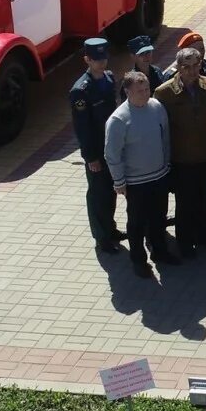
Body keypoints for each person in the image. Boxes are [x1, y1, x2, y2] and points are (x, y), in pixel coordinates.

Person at [104, 71, 174, 277]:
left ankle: (160, 252)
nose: (145, 94)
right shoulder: (118, 119)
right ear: (127, 92)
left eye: (146, 90)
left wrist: (167, 164)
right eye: (139, 91)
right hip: (136, 182)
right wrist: (119, 181)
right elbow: (112, 154)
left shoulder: (156, 107)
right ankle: (138, 261)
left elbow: (165, 138)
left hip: (159, 175)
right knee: (136, 223)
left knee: (159, 218)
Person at [154, 46, 206, 258]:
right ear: (179, 68)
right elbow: (160, 130)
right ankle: (185, 243)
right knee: (185, 204)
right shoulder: (164, 92)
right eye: (187, 67)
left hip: (205, 157)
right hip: (181, 160)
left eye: (196, 65)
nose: (193, 71)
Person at [69, 38, 123, 253]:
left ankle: (110, 228)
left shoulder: (109, 78)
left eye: (104, 58)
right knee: (98, 194)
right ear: (87, 60)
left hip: (111, 147)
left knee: (110, 191)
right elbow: (82, 128)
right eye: (96, 59)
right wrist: (91, 157)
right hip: (96, 152)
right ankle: (102, 238)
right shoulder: (81, 91)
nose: (102, 63)